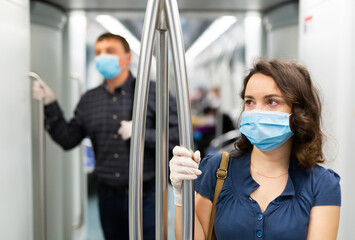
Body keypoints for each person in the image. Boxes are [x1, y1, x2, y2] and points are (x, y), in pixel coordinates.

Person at [170, 59, 341, 240]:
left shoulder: (321, 184)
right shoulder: (218, 169)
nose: (256, 111)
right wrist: (182, 196)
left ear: (298, 112)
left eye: (271, 102)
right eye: (250, 102)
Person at [32, 32, 179, 240]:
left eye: (110, 51)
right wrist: (50, 104)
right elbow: (68, 138)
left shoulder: (153, 93)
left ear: (128, 58)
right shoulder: (89, 100)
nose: (103, 57)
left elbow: (176, 138)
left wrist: (141, 134)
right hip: (108, 195)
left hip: (148, 194)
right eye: (98, 52)